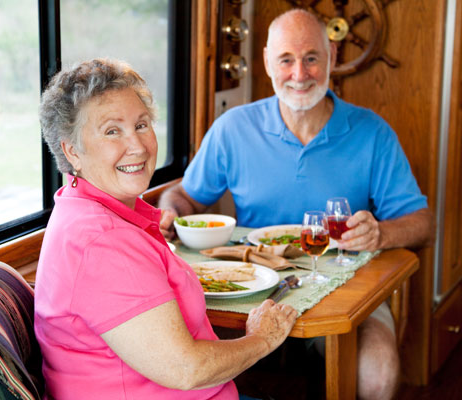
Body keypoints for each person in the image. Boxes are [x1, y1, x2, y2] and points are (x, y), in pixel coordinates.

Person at [158, 9, 434, 400]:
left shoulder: (372, 131)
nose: (299, 74)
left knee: (378, 372)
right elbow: (183, 196)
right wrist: (173, 215)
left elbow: (423, 223)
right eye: (286, 60)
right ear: (268, 60)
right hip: (248, 287)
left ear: (333, 57)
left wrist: (381, 232)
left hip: (345, 286)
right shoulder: (234, 127)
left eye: (312, 58)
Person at [34, 58, 297, 400]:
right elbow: (186, 369)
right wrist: (262, 339)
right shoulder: (103, 242)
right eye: (112, 131)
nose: (138, 146)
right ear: (72, 151)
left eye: (141, 125)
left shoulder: (85, 208)